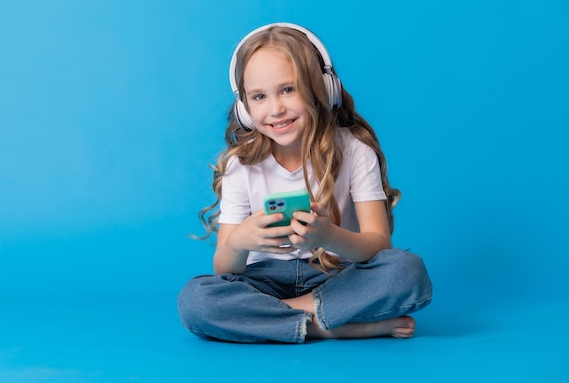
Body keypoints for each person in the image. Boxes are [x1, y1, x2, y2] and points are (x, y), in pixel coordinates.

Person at [177, 23, 432, 343]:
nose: (276, 109)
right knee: (196, 300)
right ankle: (328, 326)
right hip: (263, 280)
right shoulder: (240, 165)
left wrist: (330, 236)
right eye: (259, 96)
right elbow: (225, 270)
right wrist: (241, 241)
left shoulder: (354, 149)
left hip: (337, 278)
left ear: (322, 89)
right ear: (244, 108)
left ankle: (277, 318)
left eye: (288, 89)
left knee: (406, 270)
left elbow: (379, 245)